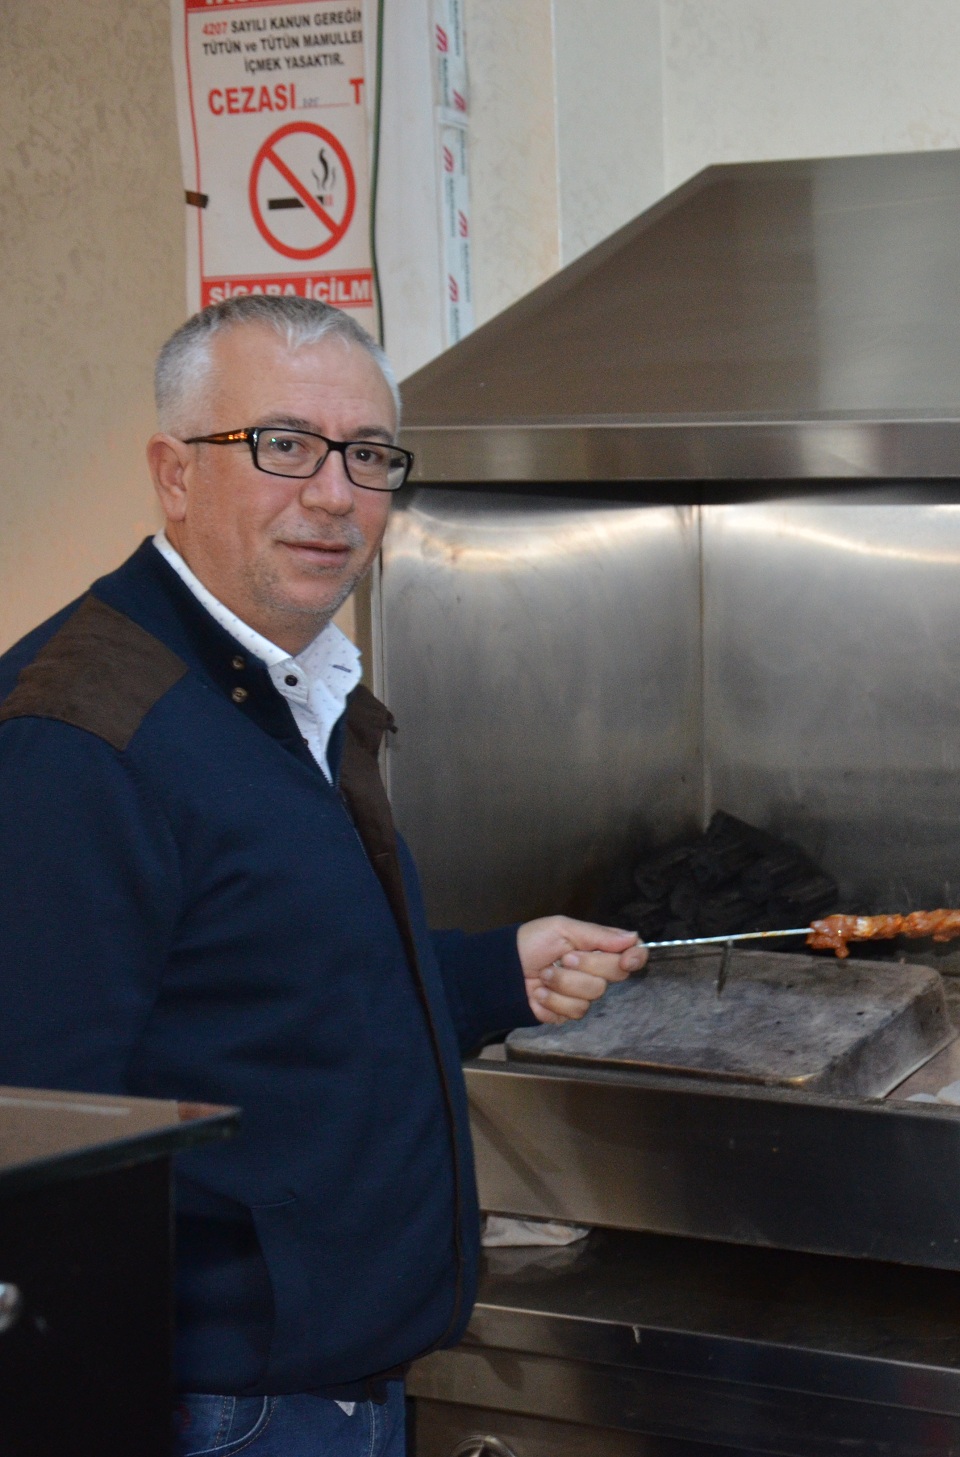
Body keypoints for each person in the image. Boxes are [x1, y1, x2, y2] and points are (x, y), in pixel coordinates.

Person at [0, 294, 647, 1456]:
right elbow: (36, 1128)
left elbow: (263, 974)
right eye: (284, 444)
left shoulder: (284, 684)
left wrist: (491, 972)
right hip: (216, 1404)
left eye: (368, 454)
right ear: (174, 473)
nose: (335, 493)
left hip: (328, 1383)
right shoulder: (82, 737)